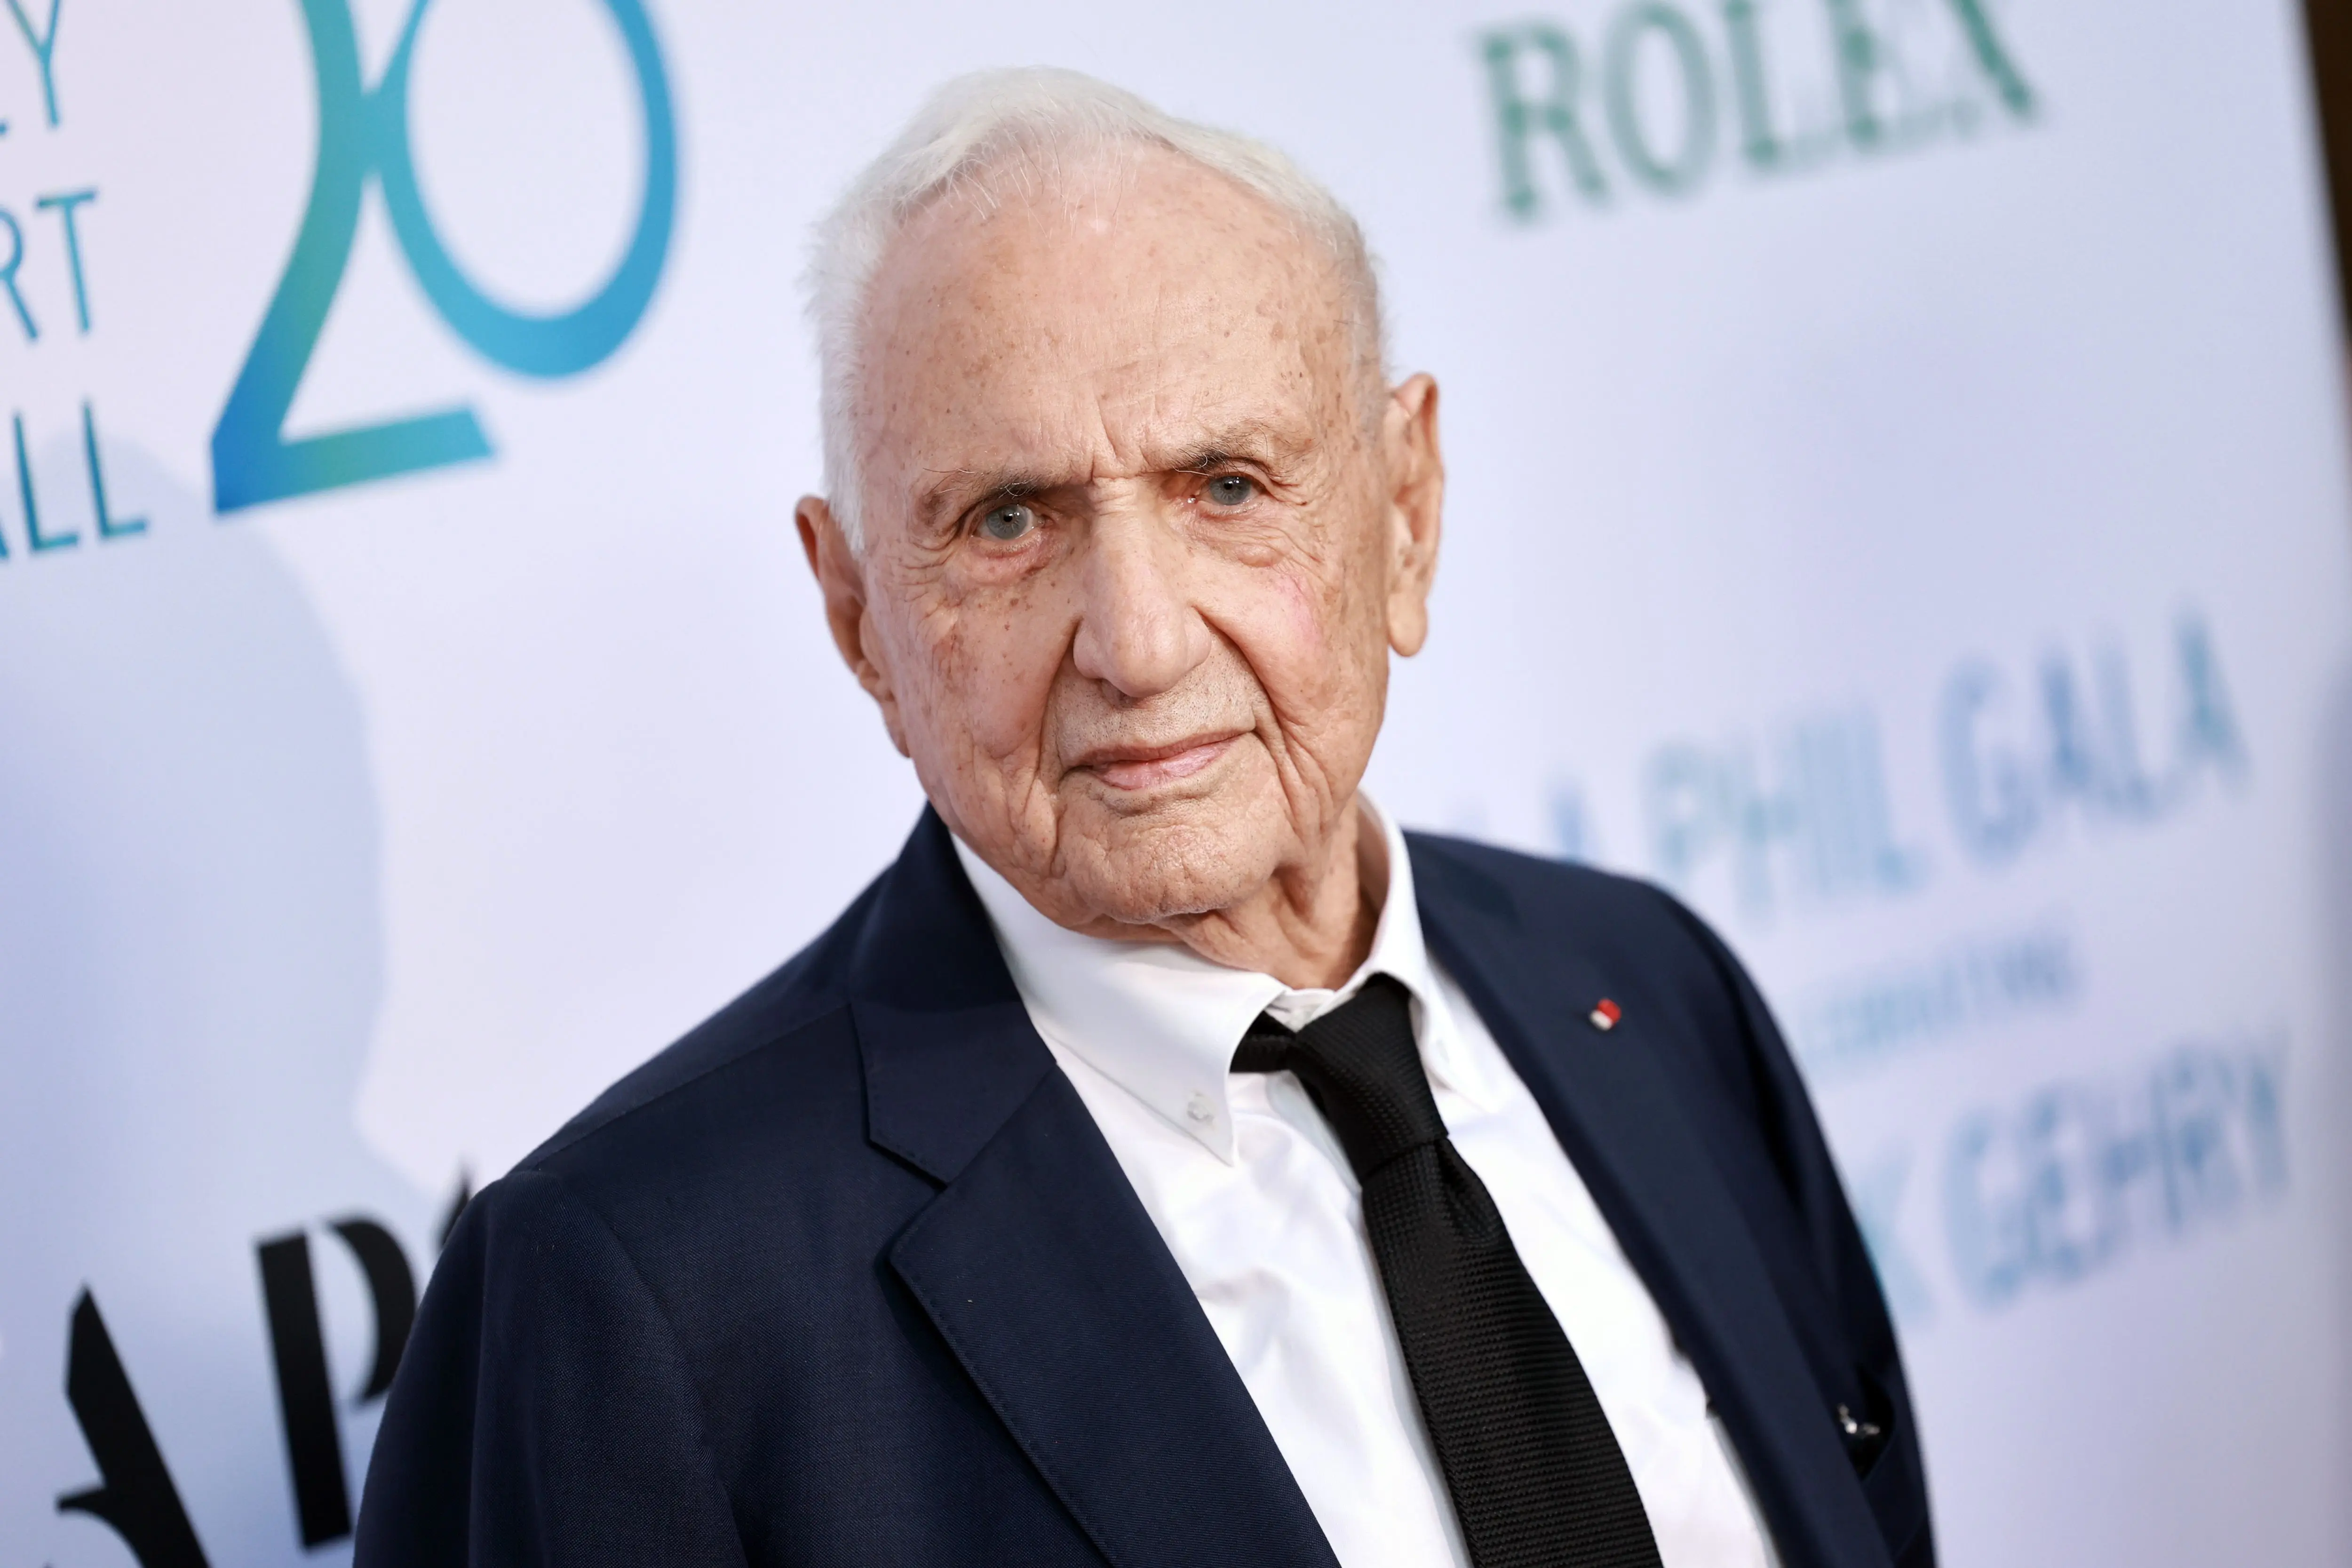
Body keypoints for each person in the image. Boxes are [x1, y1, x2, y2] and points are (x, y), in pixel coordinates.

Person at [356, 68, 1931, 1568]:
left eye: (1228, 485)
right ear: (857, 617)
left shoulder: (1647, 985)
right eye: (1008, 521)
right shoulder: (633, 1291)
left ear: (1405, 510)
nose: (1139, 640)